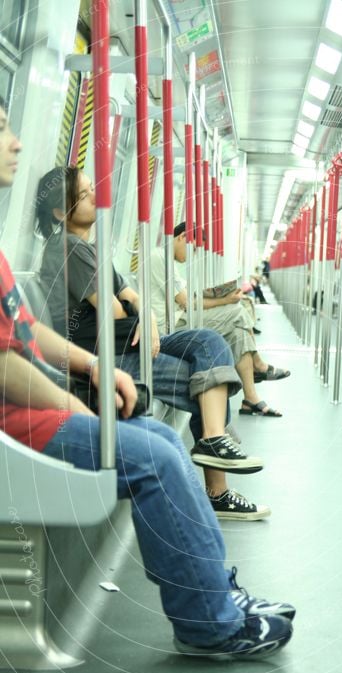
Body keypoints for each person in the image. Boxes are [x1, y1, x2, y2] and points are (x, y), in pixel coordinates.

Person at [0, 97, 294, 659]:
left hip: (60, 387)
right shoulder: (65, 249)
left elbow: (29, 331)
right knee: (154, 457)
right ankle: (209, 622)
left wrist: (92, 365)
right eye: (2, 131)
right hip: (20, 420)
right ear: (61, 212)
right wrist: (74, 401)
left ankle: (217, 593)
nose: (15, 142)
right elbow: (7, 361)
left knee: (161, 436)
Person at [36, 167, 270, 521]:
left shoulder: (90, 248)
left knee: (208, 341)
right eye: (83, 195)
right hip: (105, 354)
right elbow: (115, 310)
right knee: (204, 381)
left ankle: (212, 441)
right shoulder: (67, 248)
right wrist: (138, 311)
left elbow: (132, 297)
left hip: (132, 338)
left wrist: (147, 316)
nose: (95, 198)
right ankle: (217, 487)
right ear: (58, 212)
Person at [151, 223, 290, 418]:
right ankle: (258, 366)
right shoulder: (160, 258)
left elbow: (185, 297)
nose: (192, 256)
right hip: (170, 324)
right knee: (238, 313)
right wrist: (224, 300)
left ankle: (251, 398)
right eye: (193, 249)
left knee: (237, 328)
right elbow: (185, 302)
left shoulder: (169, 262)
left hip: (179, 317)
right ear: (182, 237)